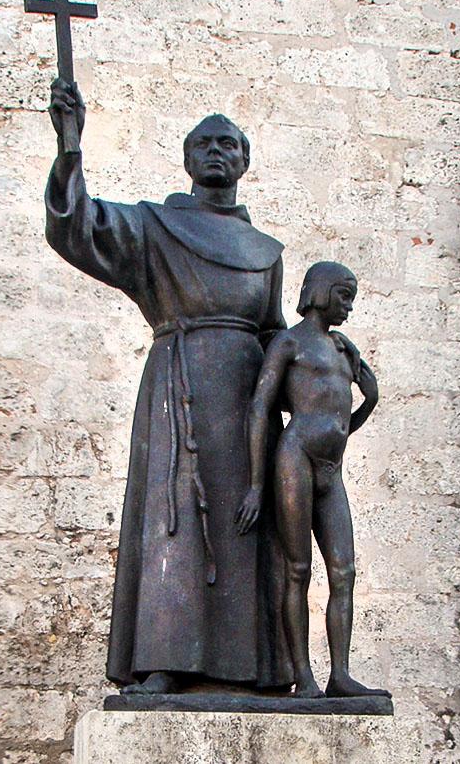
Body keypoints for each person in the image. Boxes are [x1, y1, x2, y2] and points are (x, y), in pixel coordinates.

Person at [45, 78, 291, 694]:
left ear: (245, 161)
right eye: (204, 144)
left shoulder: (266, 250)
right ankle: (165, 661)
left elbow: (275, 332)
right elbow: (77, 228)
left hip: (247, 404)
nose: (217, 152)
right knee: (172, 523)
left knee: (248, 528)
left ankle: (257, 670)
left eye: (229, 145)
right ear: (187, 159)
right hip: (177, 387)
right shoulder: (153, 228)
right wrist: (70, 145)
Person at [237, 261, 388, 699]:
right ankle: (303, 677)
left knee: (345, 570)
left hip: (330, 468)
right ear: (320, 292)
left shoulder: (343, 350)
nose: (350, 306)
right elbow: (259, 408)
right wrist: (256, 484)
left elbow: (340, 423)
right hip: (295, 458)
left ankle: (339, 673)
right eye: (343, 295)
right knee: (297, 569)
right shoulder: (289, 343)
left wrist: (370, 400)